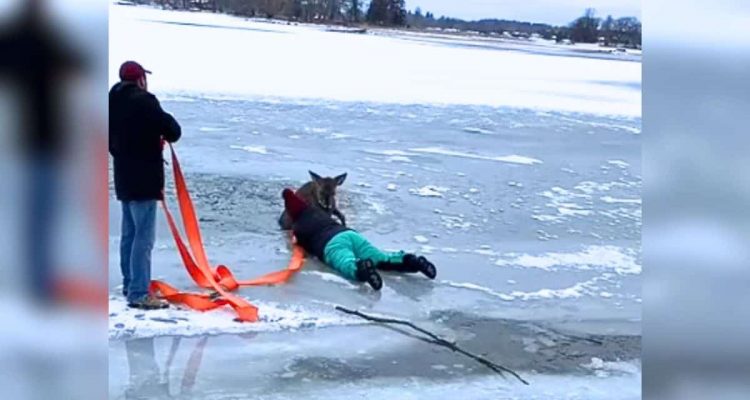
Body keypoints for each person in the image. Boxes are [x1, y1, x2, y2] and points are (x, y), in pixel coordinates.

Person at [110, 61, 181, 309]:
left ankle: (131, 284)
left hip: (123, 177)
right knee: (143, 237)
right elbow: (172, 130)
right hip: (144, 180)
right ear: (140, 80)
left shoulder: (112, 100)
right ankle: (139, 292)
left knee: (129, 234)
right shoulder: (145, 101)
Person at [282, 189, 436, 290]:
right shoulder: (318, 212)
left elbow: (302, 247)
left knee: (345, 263)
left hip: (331, 244)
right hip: (350, 235)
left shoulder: (299, 227)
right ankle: (412, 261)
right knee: (381, 258)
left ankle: (362, 269)